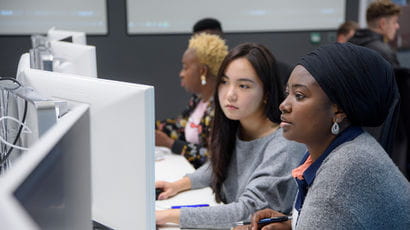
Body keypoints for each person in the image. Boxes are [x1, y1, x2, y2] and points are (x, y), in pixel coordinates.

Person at [246, 43, 410, 230]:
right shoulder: (347, 148)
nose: (284, 105)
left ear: (338, 110)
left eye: (299, 95)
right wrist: (293, 224)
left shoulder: (344, 170)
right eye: (287, 94)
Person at [155, 43, 305, 229]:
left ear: (266, 93)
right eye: (224, 82)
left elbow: (247, 211)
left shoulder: (284, 145)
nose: (230, 95)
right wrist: (178, 184)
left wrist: (167, 215)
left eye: (243, 86)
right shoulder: (237, 127)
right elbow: (217, 166)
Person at [156, 33, 228, 169]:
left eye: (185, 67)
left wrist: (170, 144)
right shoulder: (198, 100)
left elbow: (212, 158)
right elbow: (179, 125)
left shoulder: (221, 108)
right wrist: (146, 127)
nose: (181, 74)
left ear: (203, 71)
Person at [349, 0, 401, 67]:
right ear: (383, 24)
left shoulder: (350, 44)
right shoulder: (384, 54)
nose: (397, 26)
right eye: (394, 22)